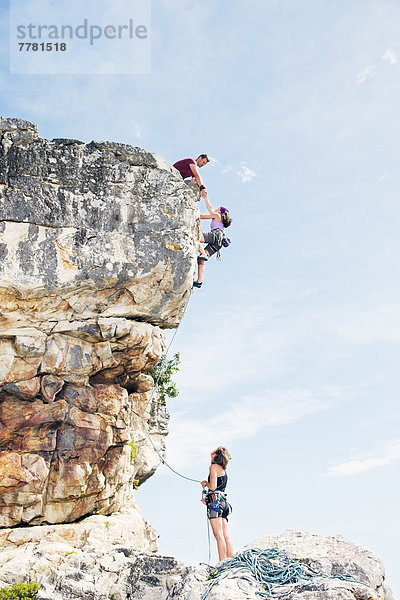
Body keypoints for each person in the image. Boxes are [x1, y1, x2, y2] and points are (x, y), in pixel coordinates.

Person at [193, 191, 232, 288]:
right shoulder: (219, 219)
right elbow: (210, 209)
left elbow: (202, 216)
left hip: (216, 234)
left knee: (196, 237)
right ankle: (199, 281)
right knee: (201, 260)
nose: (215, 208)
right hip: (218, 243)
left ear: (220, 211)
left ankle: (202, 253)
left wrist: (193, 214)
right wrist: (206, 198)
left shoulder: (217, 216)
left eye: (218, 208)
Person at [201, 447, 233, 562]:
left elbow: (213, 487)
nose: (211, 452)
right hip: (224, 502)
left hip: (215, 502)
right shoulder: (223, 470)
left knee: (218, 535)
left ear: (216, 455)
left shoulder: (213, 467)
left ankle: (222, 562)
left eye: (214, 451)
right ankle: (230, 560)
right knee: (226, 536)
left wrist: (206, 483)